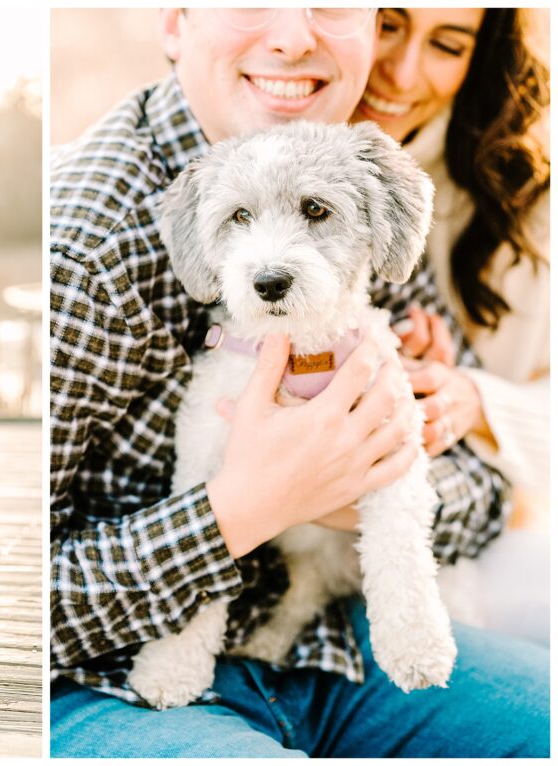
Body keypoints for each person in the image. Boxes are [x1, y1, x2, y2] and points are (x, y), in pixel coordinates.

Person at [49, 8, 548, 758]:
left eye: (333, 2)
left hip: (324, 644)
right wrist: (239, 511)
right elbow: (15, 609)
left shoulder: (355, 171)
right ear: (178, 20)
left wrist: (370, 485)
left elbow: (483, 488)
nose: (292, 36)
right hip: (104, 680)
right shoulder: (81, 256)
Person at [351, 8, 550, 644]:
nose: (402, 74)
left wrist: (469, 397)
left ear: (479, 59)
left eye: (447, 44)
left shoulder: (524, 202)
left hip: (483, 534)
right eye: (388, 24)